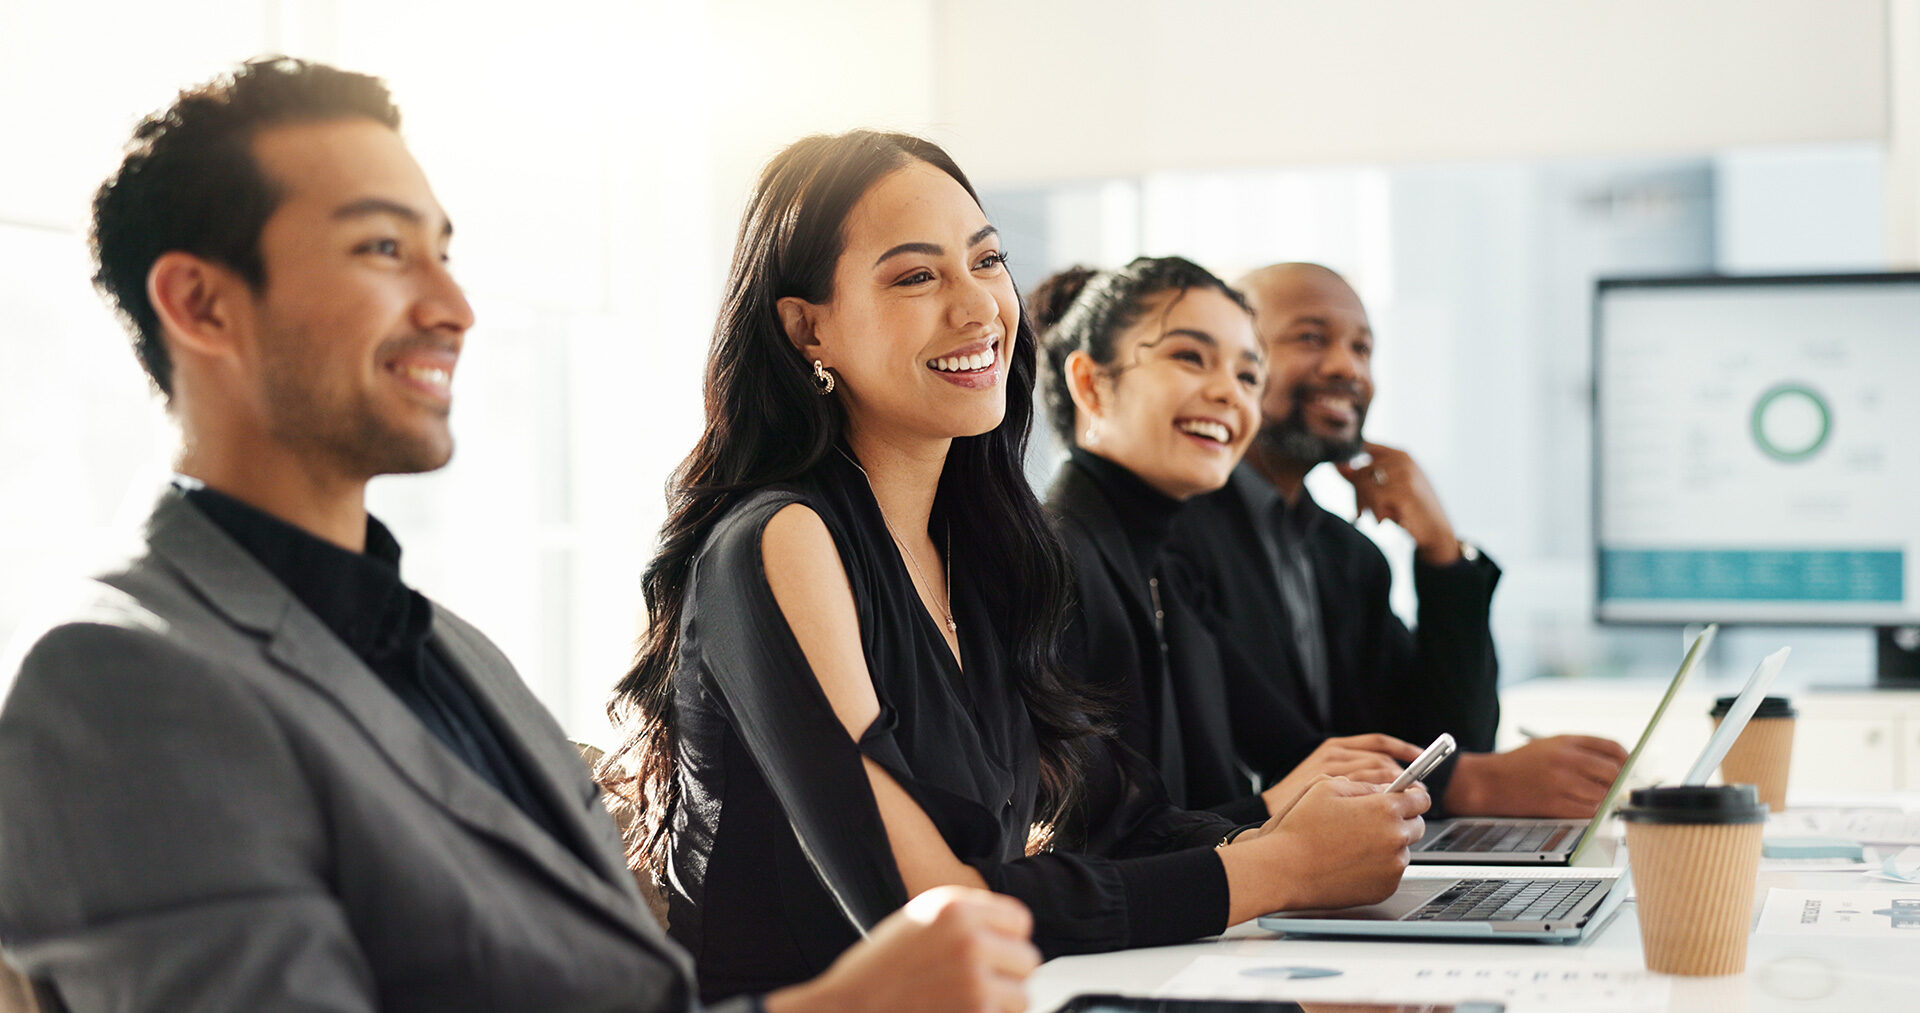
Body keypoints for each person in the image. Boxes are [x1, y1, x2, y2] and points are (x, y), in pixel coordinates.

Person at [0, 58, 1038, 1013]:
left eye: (444, 253)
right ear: (200, 302)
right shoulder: (120, 677)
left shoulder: (458, 653)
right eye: (382, 249)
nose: (453, 305)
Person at [604, 134, 1429, 1001]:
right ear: (808, 325)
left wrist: (1291, 833)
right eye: (916, 276)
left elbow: (1112, 820)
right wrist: (1282, 869)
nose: (979, 308)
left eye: (987, 260)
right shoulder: (780, 542)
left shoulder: (985, 549)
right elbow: (932, 909)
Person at [1164, 262, 1628, 818]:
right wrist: (1473, 783)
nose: (1346, 367)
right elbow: (1262, 749)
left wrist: (1442, 552)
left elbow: (1453, 738)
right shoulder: (1172, 531)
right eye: (1311, 338)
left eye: (1363, 348)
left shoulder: (1346, 554)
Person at [1033, 259, 1428, 826]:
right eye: (1190, 357)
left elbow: (1211, 802)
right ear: (1092, 385)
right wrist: (1276, 814)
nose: (1227, 392)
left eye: (1248, 376)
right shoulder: (1052, 567)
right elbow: (1092, 849)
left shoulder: (1160, 568)